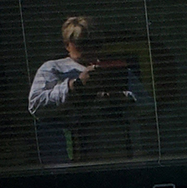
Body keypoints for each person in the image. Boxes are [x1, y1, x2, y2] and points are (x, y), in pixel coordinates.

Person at [26, 16, 147, 164]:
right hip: (76, 155)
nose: (90, 48)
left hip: (118, 153)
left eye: (95, 43)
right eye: (82, 43)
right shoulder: (53, 69)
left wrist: (123, 97)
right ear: (67, 44)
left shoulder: (115, 70)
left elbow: (148, 105)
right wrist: (74, 86)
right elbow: (35, 105)